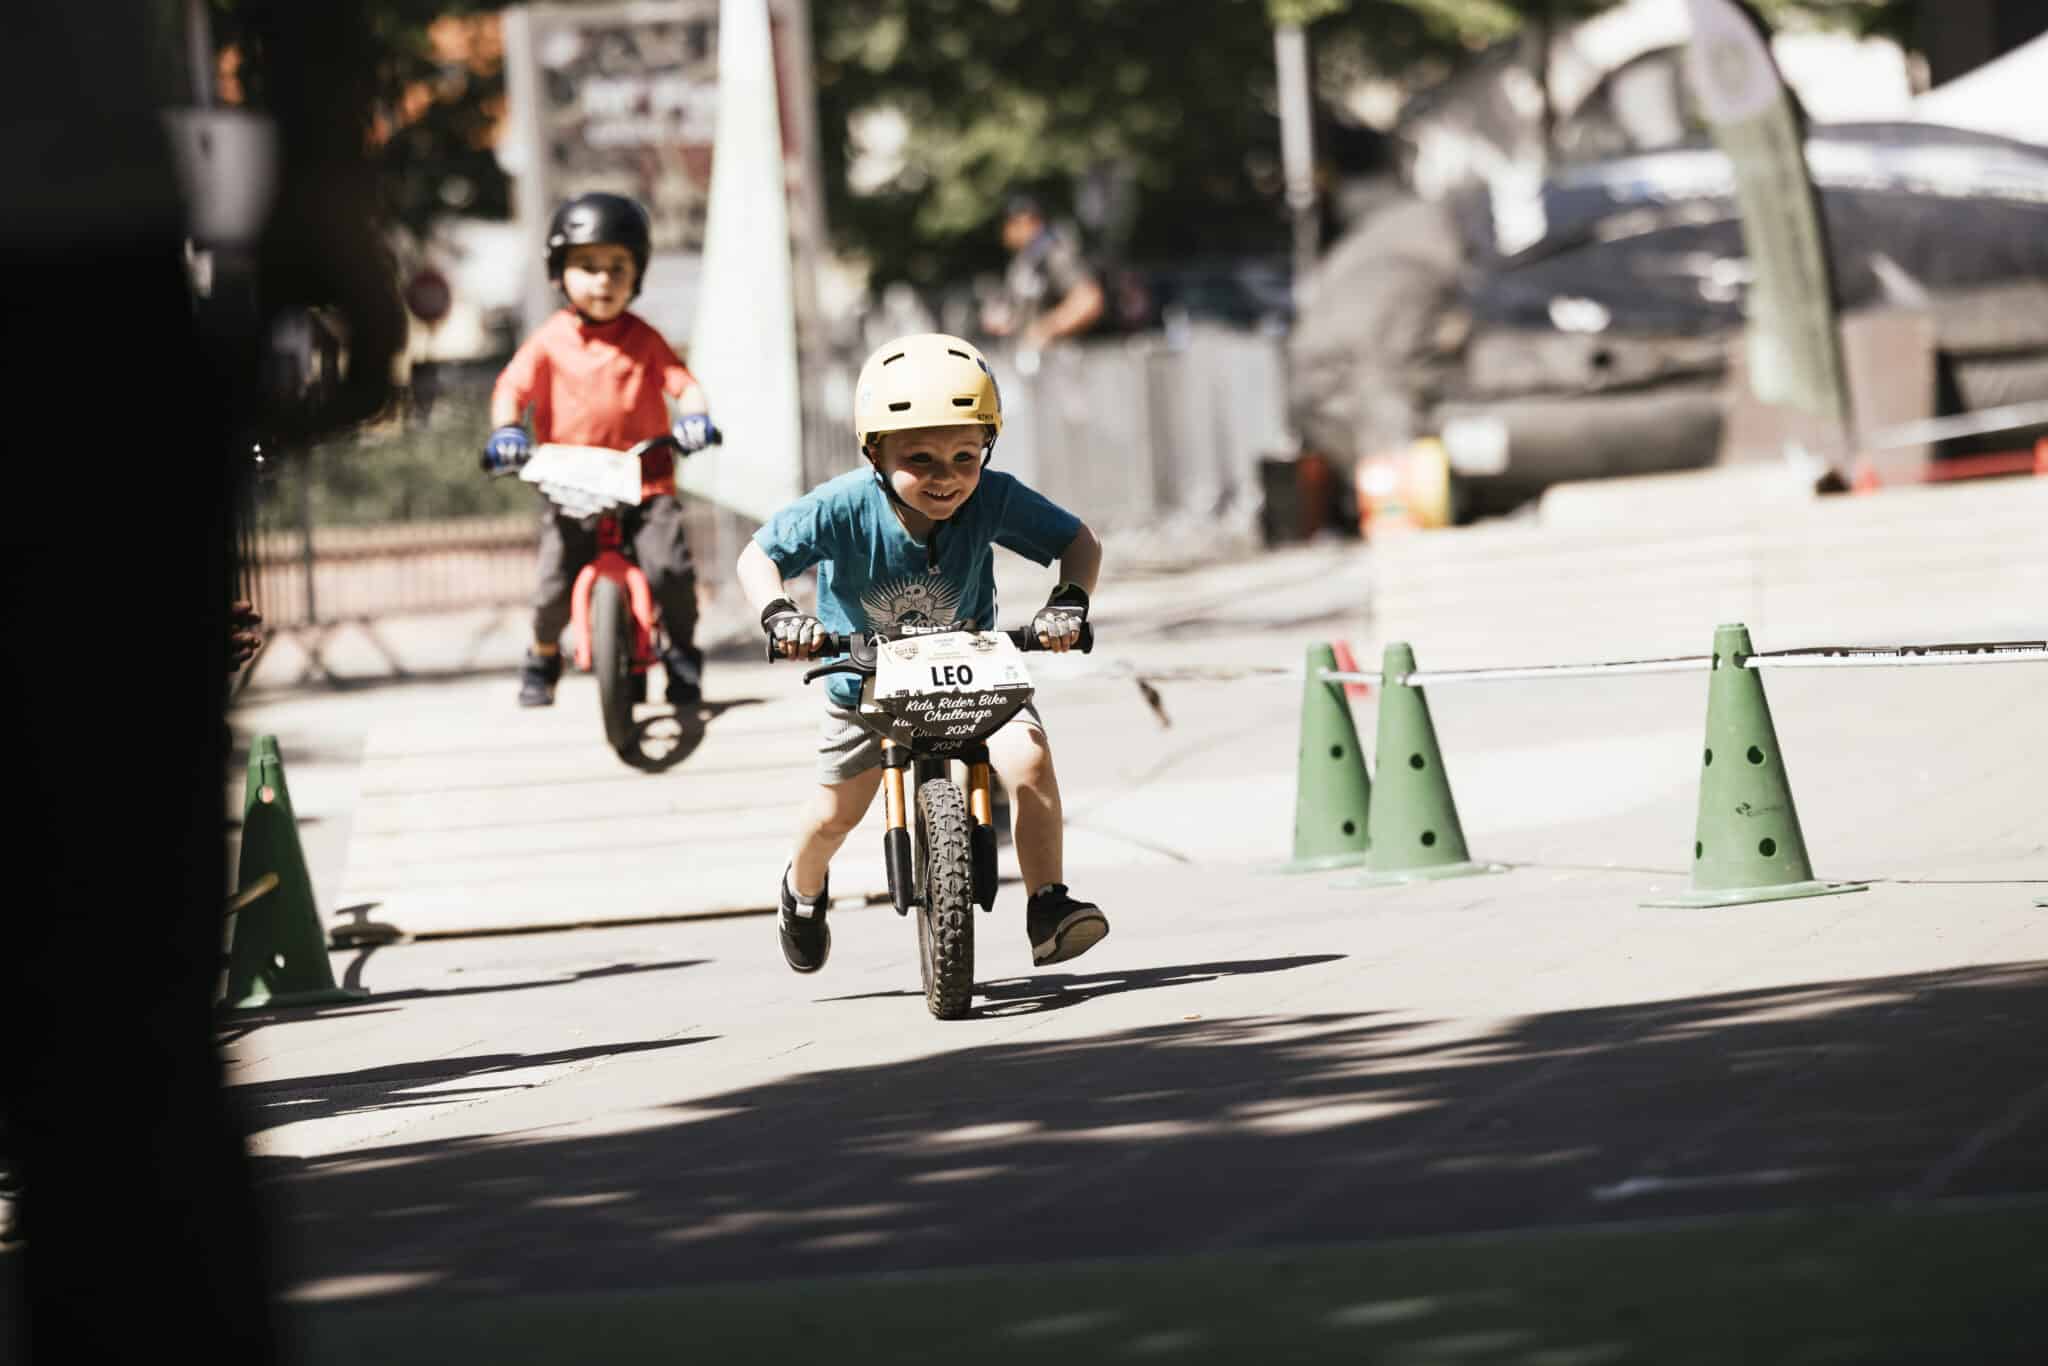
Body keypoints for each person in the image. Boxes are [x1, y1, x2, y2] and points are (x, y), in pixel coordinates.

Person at [736, 333, 1111, 973]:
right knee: (834, 814)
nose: (947, 478)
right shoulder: (842, 505)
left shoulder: (993, 496)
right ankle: (801, 895)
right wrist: (780, 615)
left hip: (974, 671)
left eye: (966, 455)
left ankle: (1048, 903)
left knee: (1029, 758)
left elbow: (1079, 543)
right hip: (864, 683)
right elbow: (758, 557)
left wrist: (1068, 603)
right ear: (874, 450)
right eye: (921, 459)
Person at [483, 192, 722, 709]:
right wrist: (507, 431)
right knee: (552, 583)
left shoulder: (645, 338)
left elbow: (684, 384)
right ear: (558, 272)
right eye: (587, 267)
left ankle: (681, 652)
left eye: (618, 267)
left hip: (646, 480)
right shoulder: (549, 340)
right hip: (572, 485)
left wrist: (696, 418)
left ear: (637, 274)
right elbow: (511, 389)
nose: (603, 280)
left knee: (669, 571)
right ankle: (543, 653)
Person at [979, 193, 1105, 352]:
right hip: (1029, 363)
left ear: (1024, 221)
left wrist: (1047, 328)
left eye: (1008, 224)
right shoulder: (1024, 261)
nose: (1004, 233)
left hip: (1061, 363)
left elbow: (1089, 300)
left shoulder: (1054, 254)